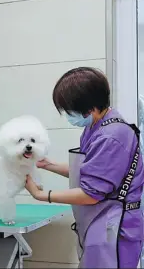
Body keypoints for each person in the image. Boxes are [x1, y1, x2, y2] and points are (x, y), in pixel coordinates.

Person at [25, 67, 144, 268]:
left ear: (89, 109)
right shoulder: (97, 126)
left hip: (114, 226)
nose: (68, 116)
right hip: (101, 220)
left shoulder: (111, 136)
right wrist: (48, 164)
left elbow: (92, 193)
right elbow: (93, 171)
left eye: (69, 111)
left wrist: (42, 195)